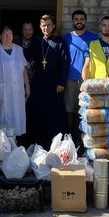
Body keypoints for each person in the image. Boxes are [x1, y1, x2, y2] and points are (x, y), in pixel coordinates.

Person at [26, 14, 68, 149]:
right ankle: (39, 142)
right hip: (38, 83)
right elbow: (25, 56)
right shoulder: (37, 42)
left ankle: (54, 143)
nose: (46, 28)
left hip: (54, 84)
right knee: (38, 112)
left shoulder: (60, 42)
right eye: (43, 25)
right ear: (40, 26)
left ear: (53, 26)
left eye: (49, 25)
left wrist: (61, 83)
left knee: (54, 114)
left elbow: (64, 64)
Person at [0, 25, 30, 137]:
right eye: (5, 34)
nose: (8, 37)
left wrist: (27, 86)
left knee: (17, 116)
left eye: (10, 34)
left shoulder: (19, 50)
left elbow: (24, 70)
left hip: (17, 90)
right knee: (1, 117)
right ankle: (0, 144)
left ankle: (15, 141)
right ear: (0, 36)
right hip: (1, 91)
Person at [63, 10, 98, 139]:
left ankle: (83, 138)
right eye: (76, 19)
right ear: (72, 21)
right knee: (69, 109)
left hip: (88, 82)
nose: (79, 21)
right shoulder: (67, 38)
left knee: (85, 110)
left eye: (81, 19)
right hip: (70, 79)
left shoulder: (94, 38)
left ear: (85, 21)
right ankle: (69, 136)